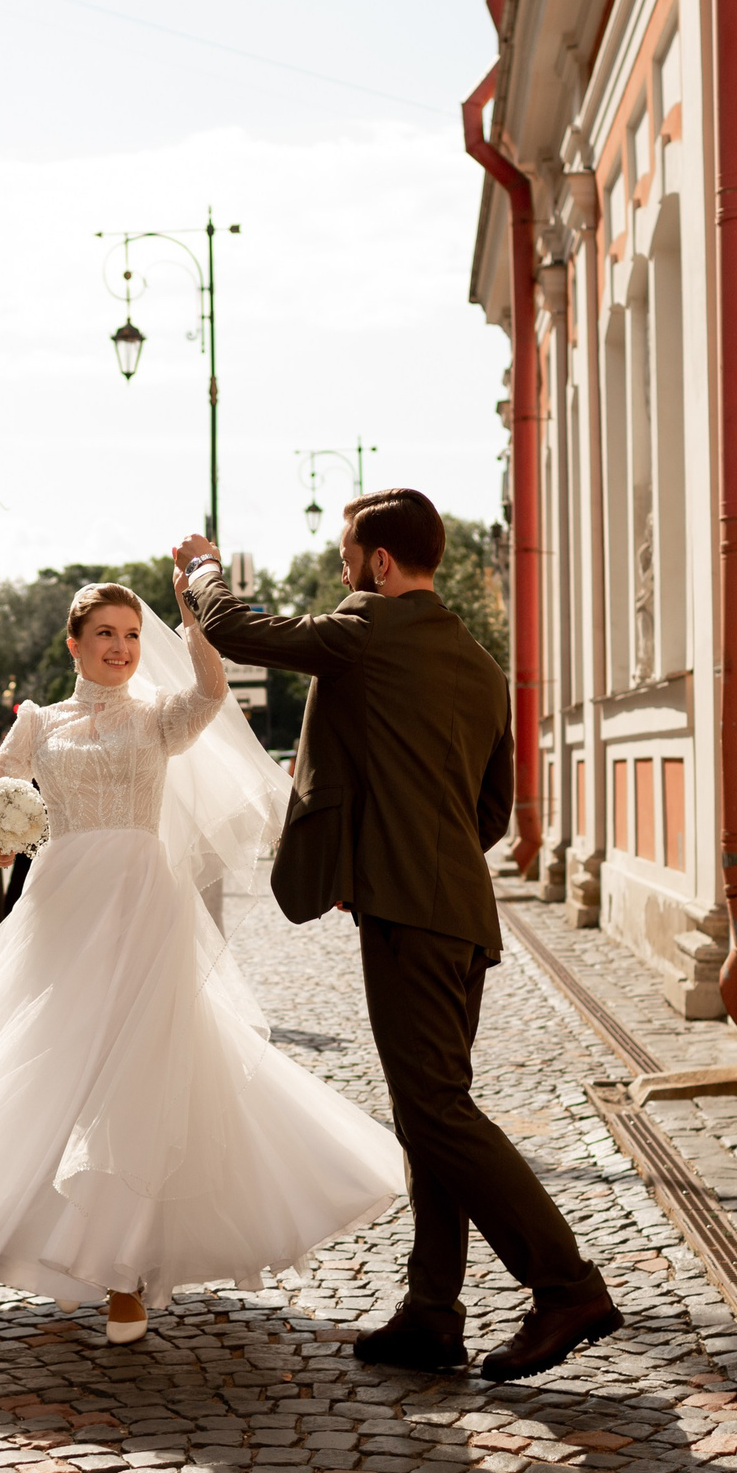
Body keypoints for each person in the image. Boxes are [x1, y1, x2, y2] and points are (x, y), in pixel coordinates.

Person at [0, 581, 403, 1344]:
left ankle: (126, 1274)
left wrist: (197, 615)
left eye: (132, 635)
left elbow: (209, 688)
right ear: (73, 644)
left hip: (144, 907)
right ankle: (40, 1240)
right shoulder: (38, 723)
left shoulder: (160, 719)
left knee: (140, 1072)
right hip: (60, 911)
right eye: (105, 633)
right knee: (54, 1067)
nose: (121, 648)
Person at [175, 488, 622, 1383]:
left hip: (413, 916)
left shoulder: (367, 630)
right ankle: (431, 1312)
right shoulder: (479, 663)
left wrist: (201, 569)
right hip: (461, 910)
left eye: (347, 556)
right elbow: (488, 812)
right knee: (431, 1112)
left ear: (379, 563)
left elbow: (238, 627)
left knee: (439, 1111)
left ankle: (566, 1286)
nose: (342, 571)